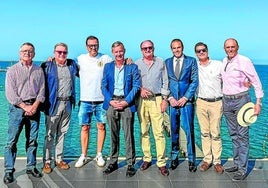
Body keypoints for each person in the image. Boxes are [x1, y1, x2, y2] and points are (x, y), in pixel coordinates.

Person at [221, 38, 264, 181]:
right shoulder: (224, 61)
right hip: (226, 101)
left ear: (237, 47)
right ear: (224, 48)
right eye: (228, 47)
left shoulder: (244, 61)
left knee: (243, 136)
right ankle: (237, 163)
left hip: (241, 101)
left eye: (233, 47)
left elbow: (256, 82)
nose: (230, 49)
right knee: (233, 135)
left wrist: (258, 103)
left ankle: (242, 169)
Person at [3, 42, 45, 184]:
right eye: (24, 51)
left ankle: (31, 166)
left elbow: (42, 91)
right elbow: (10, 93)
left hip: (35, 107)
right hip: (17, 109)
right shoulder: (12, 71)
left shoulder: (39, 70)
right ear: (20, 53)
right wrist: (24, 107)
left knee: (32, 140)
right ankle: (9, 170)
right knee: (11, 141)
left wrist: (34, 106)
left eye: (30, 51)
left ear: (34, 53)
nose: (27, 53)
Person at [101, 41, 140, 177]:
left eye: (121, 51)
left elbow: (136, 86)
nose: (119, 54)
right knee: (113, 134)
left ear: (124, 51)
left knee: (128, 135)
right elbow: (103, 86)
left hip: (127, 104)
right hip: (111, 103)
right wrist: (111, 101)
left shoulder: (132, 67)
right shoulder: (107, 67)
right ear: (113, 52)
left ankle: (130, 163)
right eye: (116, 51)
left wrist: (125, 102)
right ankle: (113, 161)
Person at [75, 36, 112, 168]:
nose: (93, 48)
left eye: (95, 45)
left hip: (101, 100)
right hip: (85, 100)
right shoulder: (80, 59)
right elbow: (66, 65)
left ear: (99, 45)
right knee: (85, 127)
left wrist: (128, 60)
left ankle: (99, 154)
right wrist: (51, 60)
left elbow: (118, 65)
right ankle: (83, 155)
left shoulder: (106, 58)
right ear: (86, 46)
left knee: (101, 126)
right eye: (90, 45)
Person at [41, 43, 78, 173]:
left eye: (64, 52)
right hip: (53, 104)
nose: (62, 54)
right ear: (54, 52)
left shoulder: (72, 65)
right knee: (50, 134)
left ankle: (59, 159)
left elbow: (88, 71)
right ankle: (46, 161)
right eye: (59, 52)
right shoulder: (47, 66)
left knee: (62, 133)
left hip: (67, 103)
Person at [135, 40, 170, 176]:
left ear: (153, 48)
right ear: (141, 50)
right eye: (145, 48)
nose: (148, 50)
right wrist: (140, 90)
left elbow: (166, 81)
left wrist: (164, 100)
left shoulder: (160, 62)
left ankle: (161, 162)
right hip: (142, 101)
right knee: (144, 131)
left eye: (150, 48)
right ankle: (147, 158)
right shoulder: (137, 64)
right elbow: (133, 81)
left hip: (157, 99)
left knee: (159, 132)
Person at [165, 38, 198, 172]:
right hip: (172, 102)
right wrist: (170, 98)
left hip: (187, 102)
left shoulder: (191, 61)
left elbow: (195, 81)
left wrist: (185, 97)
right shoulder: (167, 62)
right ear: (171, 49)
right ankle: (174, 157)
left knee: (189, 130)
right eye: (174, 48)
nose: (176, 50)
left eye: (178, 47)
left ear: (182, 48)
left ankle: (191, 160)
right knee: (174, 131)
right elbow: (165, 81)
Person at [194, 42, 223, 174]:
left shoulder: (218, 65)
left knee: (215, 133)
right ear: (196, 53)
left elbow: (230, 78)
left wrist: (244, 82)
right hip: (201, 102)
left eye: (203, 50)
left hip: (216, 102)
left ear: (207, 50)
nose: (201, 52)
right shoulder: (194, 66)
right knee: (204, 132)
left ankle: (217, 161)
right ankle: (207, 159)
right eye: (198, 51)